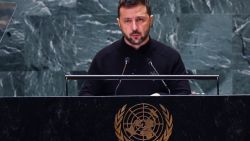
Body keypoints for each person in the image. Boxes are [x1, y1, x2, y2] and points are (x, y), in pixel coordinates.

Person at [79, 0, 191, 96]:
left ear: (151, 20)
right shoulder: (103, 59)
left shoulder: (170, 58)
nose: (134, 27)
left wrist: (160, 98)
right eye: (127, 21)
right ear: (119, 23)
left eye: (140, 20)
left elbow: (184, 97)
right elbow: (85, 99)